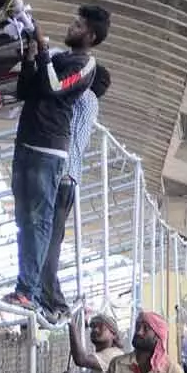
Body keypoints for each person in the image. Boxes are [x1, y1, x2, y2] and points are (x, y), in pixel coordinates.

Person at [5, 5, 109, 317]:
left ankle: (30, 292)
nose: (72, 25)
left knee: (38, 221)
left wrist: (44, 48)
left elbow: (53, 87)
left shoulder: (84, 64)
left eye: (79, 24)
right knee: (25, 220)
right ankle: (28, 290)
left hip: (49, 152)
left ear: (90, 35)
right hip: (27, 143)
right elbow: (27, 88)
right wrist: (30, 55)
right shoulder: (61, 59)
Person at [41, 66, 112, 312]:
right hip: (68, 178)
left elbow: (59, 82)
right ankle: (50, 295)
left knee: (46, 239)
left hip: (60, 175)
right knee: (51, 238)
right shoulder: (89, 105)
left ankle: (51, 298)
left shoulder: (85, 98)